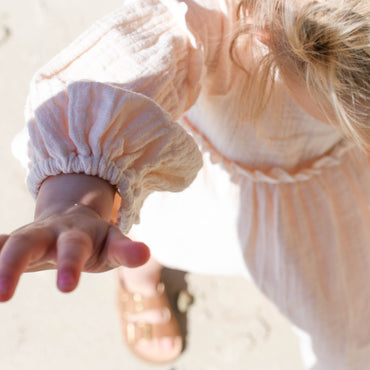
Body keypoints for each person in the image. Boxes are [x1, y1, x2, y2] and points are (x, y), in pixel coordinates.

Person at [1, 0, 370, 367]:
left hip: (327, 193)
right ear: (268, 39)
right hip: (208, 186)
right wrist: (74, 203)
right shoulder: (211, 19)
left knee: (343, 334)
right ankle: (139, 279)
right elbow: (112, 80)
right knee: (147, 242)